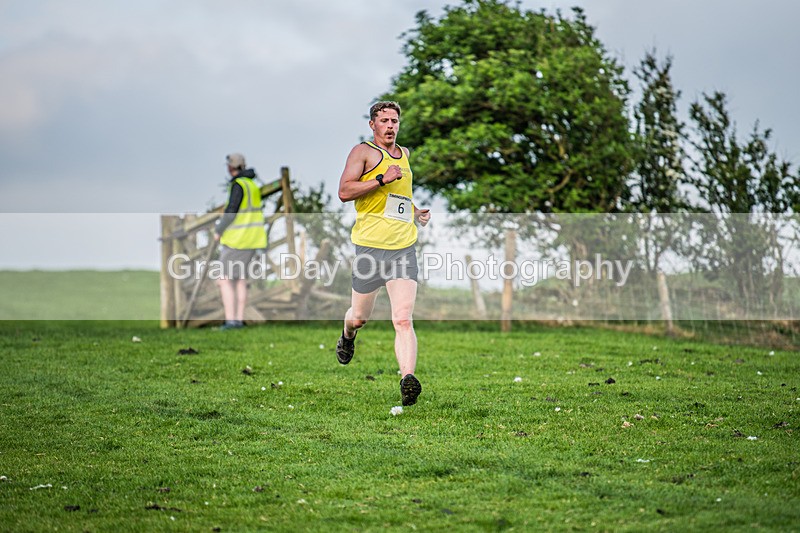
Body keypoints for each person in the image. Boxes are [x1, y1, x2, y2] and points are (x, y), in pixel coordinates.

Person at [336, 101, 431, 406]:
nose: (391, 126)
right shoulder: (361, 152)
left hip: (403, 247)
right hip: (369, 249)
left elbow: (398, 197)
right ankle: (347, 335)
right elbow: (344, 192)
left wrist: (415, 212)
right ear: (373, 125)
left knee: (402, 318)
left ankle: (408, 379)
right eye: (385, 121)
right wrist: (380, 178)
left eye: (395, 121)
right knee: (360, 317)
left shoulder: (405, 155)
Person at [213, 153, 267, 330]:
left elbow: (231, 211)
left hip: (238, 239)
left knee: (225, 279)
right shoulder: (252, 185)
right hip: (253, 239)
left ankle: (232, 321)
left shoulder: (238, 185)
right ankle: (238, 319)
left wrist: (218, 230)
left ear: (231, 167)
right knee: (240, 279)